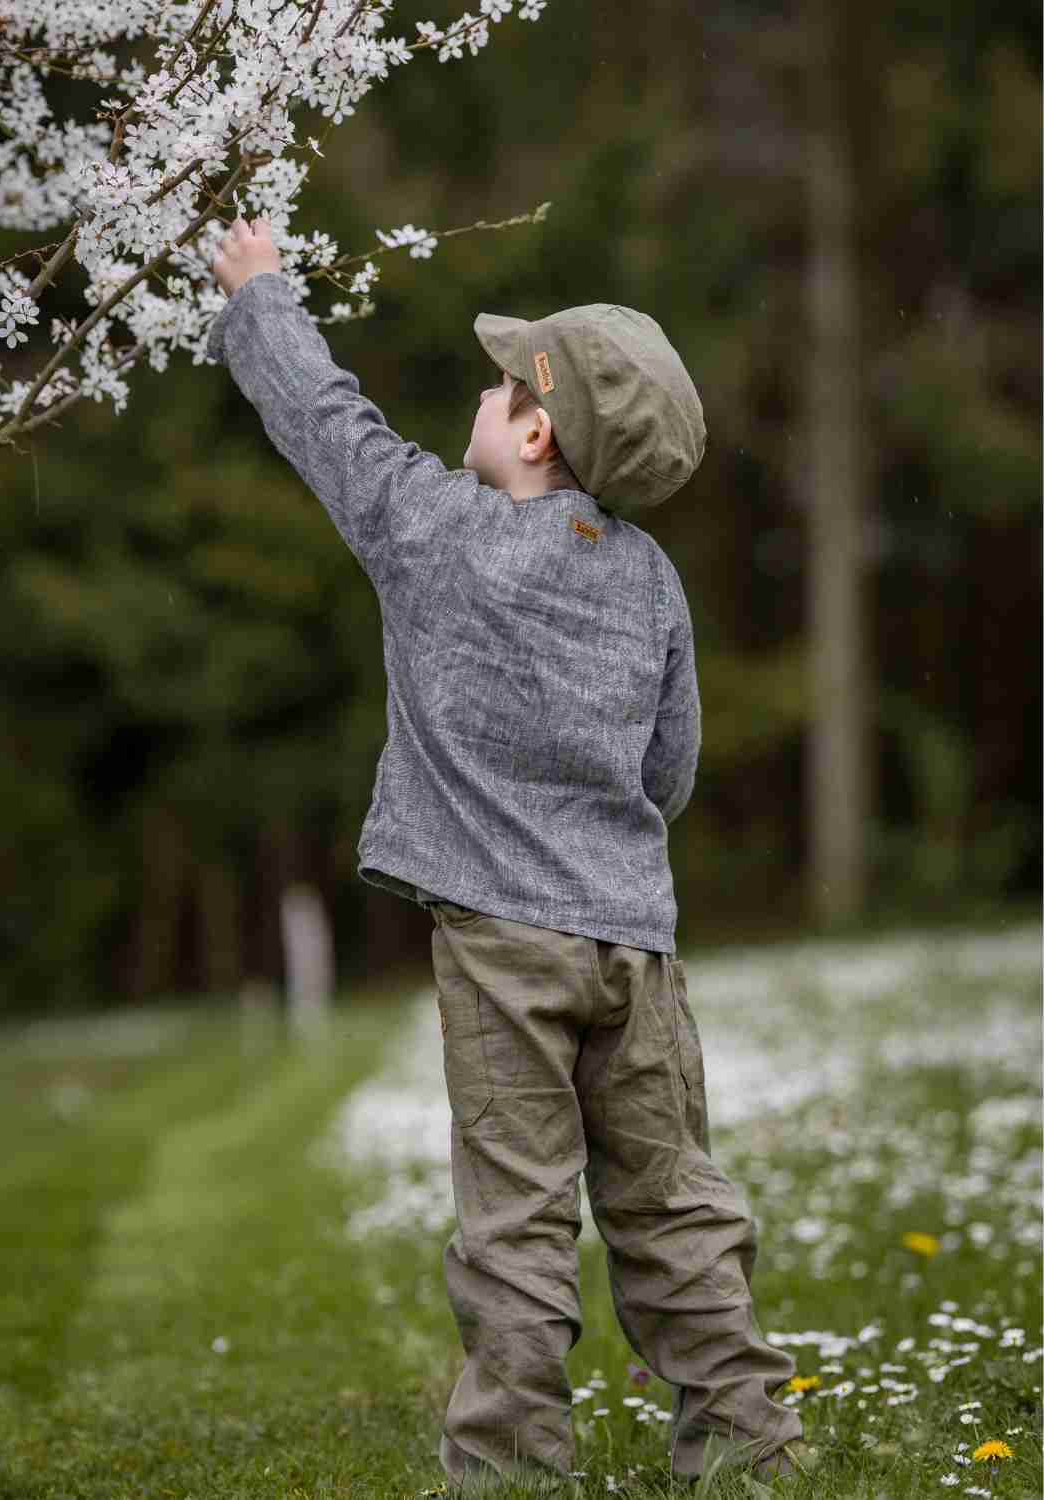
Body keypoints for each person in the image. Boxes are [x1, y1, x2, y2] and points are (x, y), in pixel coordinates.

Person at [208, 217, 814, 1490]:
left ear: (534, 432)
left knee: (518, 1215)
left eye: (499, 385)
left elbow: (324, 420)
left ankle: (512, 1462)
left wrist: (259, 293)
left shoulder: (436, 532)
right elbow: (668, 771)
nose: (480, 398)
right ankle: (748, 1438)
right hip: (634, 949)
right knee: (672, 1199)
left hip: (500, 949)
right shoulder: (650, 582)